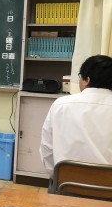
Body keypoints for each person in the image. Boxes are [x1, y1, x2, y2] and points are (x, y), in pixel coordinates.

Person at [40, 54, 112, 188]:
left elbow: (47, 149)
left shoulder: (60, 105)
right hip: (108, 191)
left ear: (87, 79)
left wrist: (55, 176)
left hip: (65, 186)